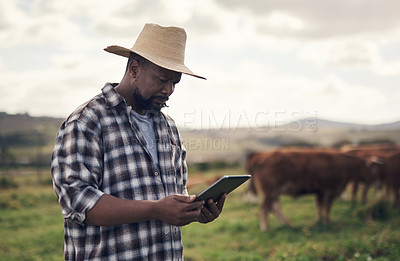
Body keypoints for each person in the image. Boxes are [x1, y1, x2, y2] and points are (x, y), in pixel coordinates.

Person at [51, 23, 226, 261]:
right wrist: (156, 209)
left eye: (175, 83)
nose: (169, 90)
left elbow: (171, 202)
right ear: (134, 69)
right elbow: (78, 201)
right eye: (162, 79)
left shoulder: (169, 128)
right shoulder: (88, 121)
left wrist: (195, 212)